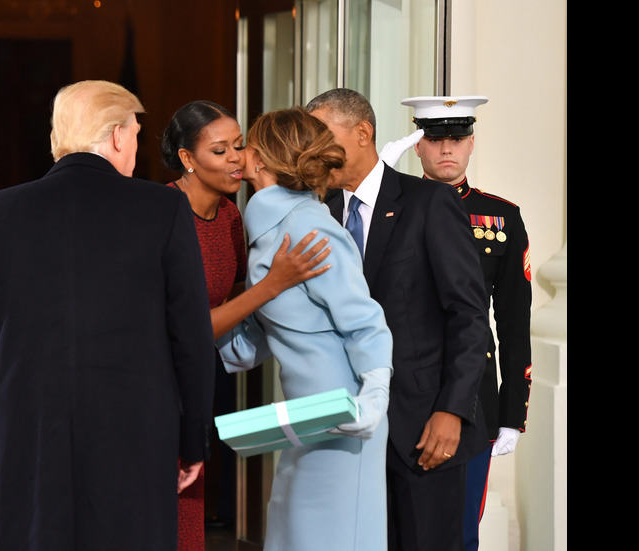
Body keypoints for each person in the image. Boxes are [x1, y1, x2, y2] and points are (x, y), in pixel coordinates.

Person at [0, 80, 216, 551]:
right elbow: (191, 336)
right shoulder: (163, 208)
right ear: (117, 135)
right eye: (137, 133)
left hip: (26, 430)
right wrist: (193, 439)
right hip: (137, 429)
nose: (136, 145)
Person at [307, 88, 490, 551]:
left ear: (363, 133)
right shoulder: (319, 213)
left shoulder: (428, 203)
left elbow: (468, 316)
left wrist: (452, 411)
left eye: (321, 137)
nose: (312, 152)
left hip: (423, 430)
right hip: (346, 434)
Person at [217, 107, 393, 550]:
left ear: (260, 160)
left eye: (245, 145)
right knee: (294, 535)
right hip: (303, 418)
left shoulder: (309, 227)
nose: (238, 154)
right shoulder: (269, 226)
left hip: (344, 414)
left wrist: (373, 396)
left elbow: (364, 319)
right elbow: (272, 330)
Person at [160, 100, 331, 549]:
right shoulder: (159, 214)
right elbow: (182, 326)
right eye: (220, 151)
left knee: (189, 508)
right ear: (186, 159)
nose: (237, 159)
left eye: (239, 146)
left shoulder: (234, 216)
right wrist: (274, 285)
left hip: (200, 380)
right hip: (156, 384)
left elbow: (236, 299)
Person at [401, 95, 532, 551]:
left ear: (472, 143)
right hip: (401, 388)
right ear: (418, 146)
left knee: (459, 531)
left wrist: (513, 412)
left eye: (457, 138)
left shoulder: (501, 217)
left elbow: (514, 321)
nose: (446, 149)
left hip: (472, 396)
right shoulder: (393, 209)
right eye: (434, 139)